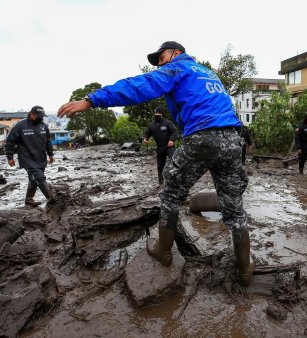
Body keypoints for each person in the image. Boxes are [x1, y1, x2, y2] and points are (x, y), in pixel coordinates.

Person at [57, 41, 254, 286]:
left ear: (176, 53)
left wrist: (92, 100)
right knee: (234, 208)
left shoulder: (178, 68)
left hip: (203, 136)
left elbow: (140, 86)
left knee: (170, 194)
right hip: (233, 138)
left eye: (161, 58)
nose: (159, 64)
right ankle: (245, 268)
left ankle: (163, 251)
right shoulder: (208, 73)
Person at [5, 105, 55, 207]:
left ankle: (29, 200)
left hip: (41, 158)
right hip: (27, 159)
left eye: (42, 116)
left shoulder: (44, 126)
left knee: (33, 179)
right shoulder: (20, 126)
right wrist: (10, 157)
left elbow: (48, 141)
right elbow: (9, 142)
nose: (41, 118)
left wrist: (50, 154)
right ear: (31, 114)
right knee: (40, 178)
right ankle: (52, 200)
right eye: (39, 116)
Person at [143, 106, 178, 184]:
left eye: (158, 113)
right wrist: (145, 138)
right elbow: (147, 133)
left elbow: (175, 132)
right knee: (160, 166)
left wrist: (172, 140)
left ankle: (176, 180)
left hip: (169, 147)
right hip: (160, 148)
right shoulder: (152, 125)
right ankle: (161, 182)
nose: (157, 114)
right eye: (155, 113)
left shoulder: (167, 123)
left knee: (174, 161)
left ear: (162, 114)